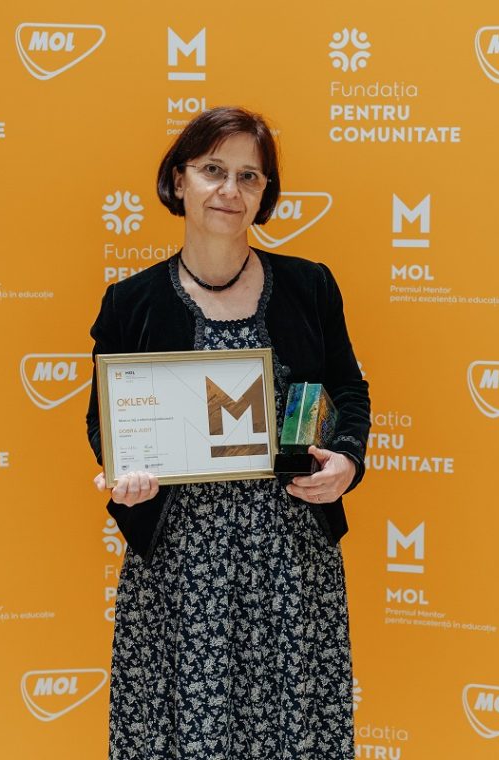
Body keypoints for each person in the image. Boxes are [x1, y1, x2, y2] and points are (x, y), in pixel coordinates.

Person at [85, 106, 371, 760]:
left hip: (290, 560)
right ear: (178, 180)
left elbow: (348, 390)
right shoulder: (131, 302)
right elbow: (105, 416)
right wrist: (122, 468)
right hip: (180, 567)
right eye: (213, 169)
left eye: (249, 176)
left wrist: (346, 460)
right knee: (186, 733)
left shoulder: (310, 286)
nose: (230, 190)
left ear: (264, 192)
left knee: (294, 732)